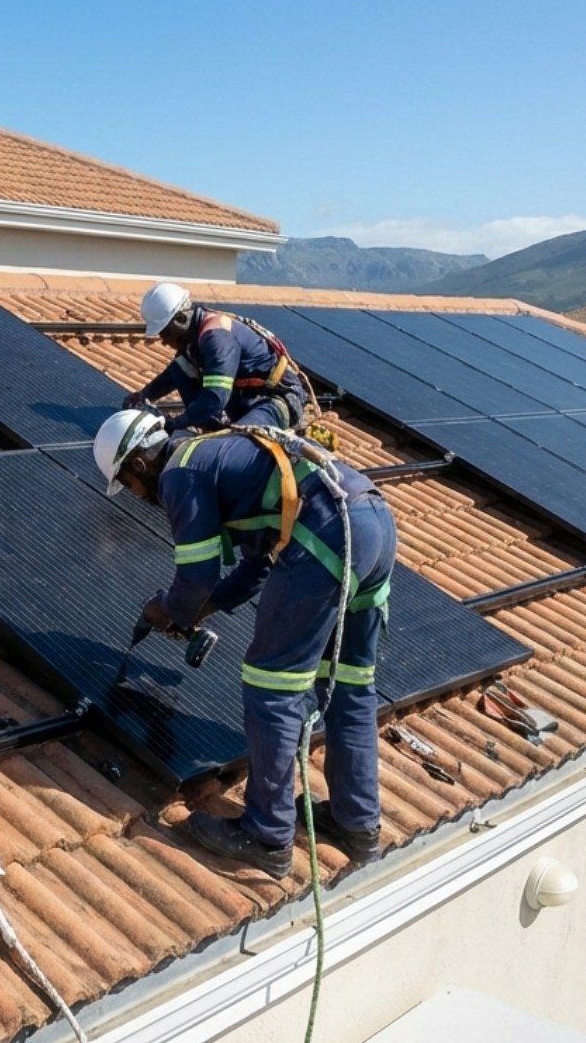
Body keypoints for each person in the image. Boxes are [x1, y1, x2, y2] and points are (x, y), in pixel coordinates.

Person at [92, 408, 397, 877]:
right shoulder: (222, 454)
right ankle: (356, 824)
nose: (137, 497)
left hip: (327, 533)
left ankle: (266, 835)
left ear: (137, 464)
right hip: (372, 521)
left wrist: (167, 610)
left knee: (272, 687)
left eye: (129, 487)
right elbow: (258, 565)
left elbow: (195, 575)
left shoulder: (179, 474)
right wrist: (201, 609)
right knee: (350, 684)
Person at [122, 282, 309, 436]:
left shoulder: (217, 338)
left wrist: (175, 424)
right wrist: (144, 395)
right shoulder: (193, 337)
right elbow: (174, 373)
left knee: (239, 442)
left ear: (180, 318)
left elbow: (215, 397)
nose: (163, 341)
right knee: (180, 370)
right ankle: (211, 426)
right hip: (243, 401)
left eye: (165, 332)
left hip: (273, 399)